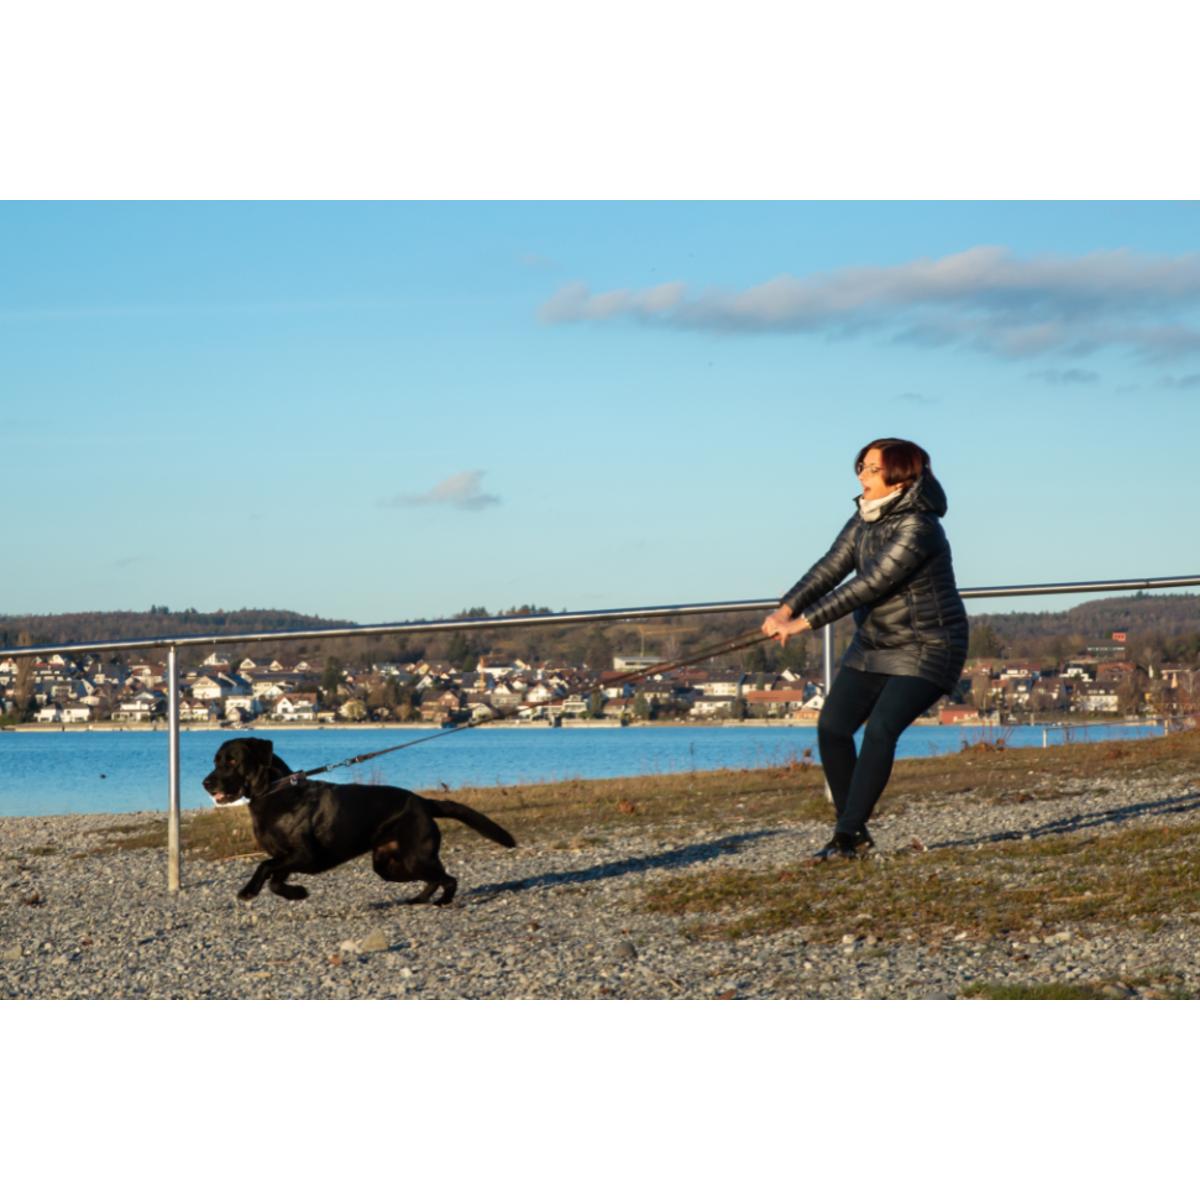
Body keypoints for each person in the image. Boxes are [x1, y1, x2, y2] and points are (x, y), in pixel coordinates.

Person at [761, 437, 968, 860]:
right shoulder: (864, 517)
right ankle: (853, 830)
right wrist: (784, 610)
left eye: (872, 469)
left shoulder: (920, 527)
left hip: (929, 645)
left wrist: (804, 623)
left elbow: (869, 583)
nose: (862, 475)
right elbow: (831, 566)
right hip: (874, 644)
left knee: (880, 730)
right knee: (833, 728)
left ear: (899, 478)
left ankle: (847, 833)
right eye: (862, 466)